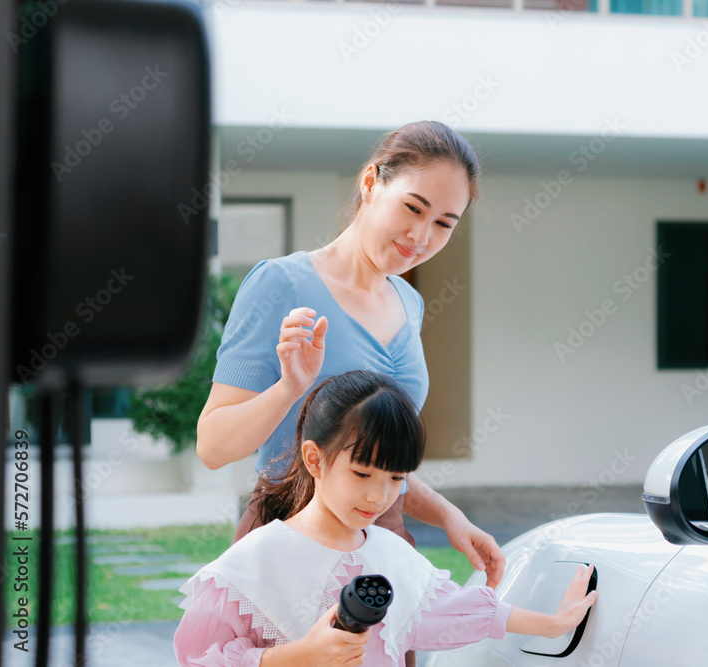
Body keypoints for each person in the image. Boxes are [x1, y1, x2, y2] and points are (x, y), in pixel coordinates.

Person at [195, 121, 505, 591]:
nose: (422, 235)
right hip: (293, 542)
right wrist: (288, 389)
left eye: (444, 223)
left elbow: (374, 461)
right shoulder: (280, 284)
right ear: (369, 183)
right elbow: (212, 446)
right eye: (413, 207)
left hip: (383, 551)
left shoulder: (409, 302)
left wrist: (448, 516)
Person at [175, 371, 597, 667]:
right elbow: (197, 659)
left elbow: (462, 612)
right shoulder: (251, 565)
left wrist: (555, 623)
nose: (379, 496)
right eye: (362, 473)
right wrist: (294, 658)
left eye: (396, 477)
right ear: (314, 459)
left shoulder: (391, 557)